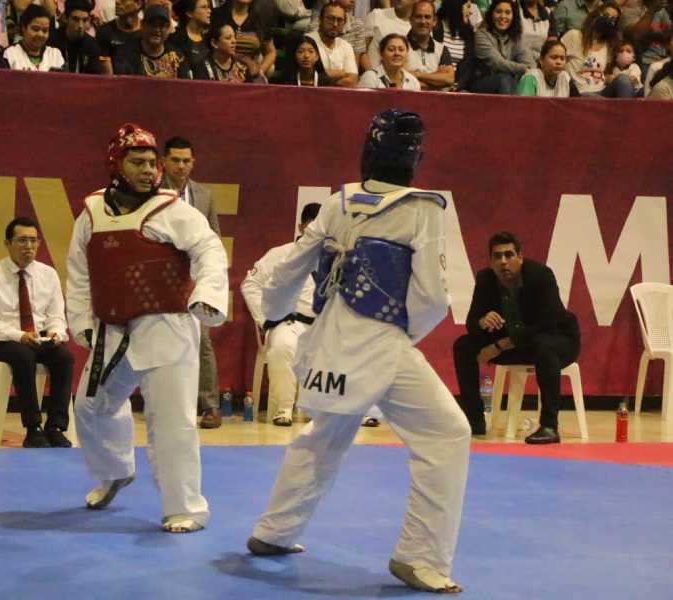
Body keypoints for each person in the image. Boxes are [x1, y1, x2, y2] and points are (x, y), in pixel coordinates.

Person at [246, 109, 470, 595]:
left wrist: (275, 316)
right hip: (382, 339)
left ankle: (274, 531)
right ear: (415, 158)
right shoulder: (423, 209)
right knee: (447, 434)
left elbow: (288, 271)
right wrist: (404, 336)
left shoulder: (338, 201)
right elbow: (431, 296)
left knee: (325, 434)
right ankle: (421, 557)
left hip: (327, 339)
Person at [65, 124, 228, 533]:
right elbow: (79, 274)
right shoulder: (92, 212)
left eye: (152, 163)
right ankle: (116, 470)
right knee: (90, 406)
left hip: (166, 325)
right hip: (113, 329)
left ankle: (184, 507)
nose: (148, 170)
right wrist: (82, 322)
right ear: (115, 163)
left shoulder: (173, 209)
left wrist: (207, 293)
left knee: (171, 419)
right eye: (137, 162)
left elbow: (209, 249)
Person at [452, 231, 580, 444]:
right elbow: (471, 323)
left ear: (520, 257)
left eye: (509, 255)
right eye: (497, 256)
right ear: (490, 261)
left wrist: (499, 345)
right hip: (517, 344)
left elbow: (546, 324)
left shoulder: (541, 276)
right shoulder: (485, 279)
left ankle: (549, 426)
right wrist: (483, 321)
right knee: (463, 346)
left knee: (544, 347)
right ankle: (474, 421)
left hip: (559, 339)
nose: (503, 262)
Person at [0, 217, 73, 448]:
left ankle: (55, 426)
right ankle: (33, 427)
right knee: (23, 355)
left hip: (39, 337)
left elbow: (57, 315)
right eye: (22, 240)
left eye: (33, 240)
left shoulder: (48, 274)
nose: (28, 246)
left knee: (64, 357)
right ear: (7, 243)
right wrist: (20, 335)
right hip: (2, 340)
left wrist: (57, 333)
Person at [160, 137, 224, 429]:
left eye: (186, 160)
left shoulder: (205, 196)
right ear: (163, 161)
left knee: (203, 342)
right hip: (160, 278)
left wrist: (208, 283)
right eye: (175, 159)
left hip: (194, 280)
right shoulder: (152, 194)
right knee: (157, 339)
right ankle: (160, 402)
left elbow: (214, 241)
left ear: (193, 162)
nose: (181, 165)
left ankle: (210, 405)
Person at [240, 203, 320, 427]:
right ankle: (283, 408)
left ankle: (325, 409)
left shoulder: (332, 258)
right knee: (283, 346)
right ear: (301, 226)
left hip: (321, 325)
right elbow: (251, 284)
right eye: (311, 226)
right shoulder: (280, 254)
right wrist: (265, 319)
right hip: (288, 321)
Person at [561, 1, 636, 97]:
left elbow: (602, 73)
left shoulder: (608, 45)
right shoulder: (573, 36)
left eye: (613, 19)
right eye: (606, 15)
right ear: (596, 15)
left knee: (623, 79)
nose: (608, 20)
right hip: (580, 92)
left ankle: (627, 111)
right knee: (596, 99)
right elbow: (559, 61)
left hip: (602, 90)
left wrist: (609, 78)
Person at [469, 0, 535, 94]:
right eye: (498, 11)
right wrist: (523, 68)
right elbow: (497, 63)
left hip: (510, 83)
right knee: (505, 79)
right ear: (491, 14)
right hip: (482, 82)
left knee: (530, 78)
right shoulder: (482, 34)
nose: (503, 16)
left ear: (514, 16)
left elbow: (530, 64)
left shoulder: (517, 37)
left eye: (507, 12)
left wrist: (529, 70)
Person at [111, 4, 192, 77]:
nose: (157, 30)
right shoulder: (125, 54)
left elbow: (186, 88)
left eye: (161, 25)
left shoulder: (178, 57)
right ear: (142, 25)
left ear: (168, 29)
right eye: (152, 24)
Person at [211, 0, 277, 78]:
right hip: (221, 70)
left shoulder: (261, 18)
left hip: (250, 71)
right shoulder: (217, 15)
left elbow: (271, 52)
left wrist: (259, 72)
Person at [0, 4, 65, 70]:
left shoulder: (55, 55)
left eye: (45, 30)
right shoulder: (9, 54)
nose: (40, 34)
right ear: (23, 28)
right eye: (35, 29)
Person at [405, 0, 455, 90]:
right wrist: (437, 77)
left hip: (437, 102)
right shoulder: (400, 46)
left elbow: (449, 79)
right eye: (418, 16)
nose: (423, 21)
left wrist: (417, 74)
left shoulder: (442, 49)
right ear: (410, 20)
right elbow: (400, 79)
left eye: (427, 17)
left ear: (434, 21)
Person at [308, 2, 359, 86]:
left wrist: (323, 75)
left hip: (339, 97)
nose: (335, 24)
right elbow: (308, 78)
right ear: (320, 20)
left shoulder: (346, 46)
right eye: (330, 18)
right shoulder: (308, 41)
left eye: (339, 20)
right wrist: (341, 73)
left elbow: (352, 81)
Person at [56, 0, 108, 73]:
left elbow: (96, 76)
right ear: (65, 18)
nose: (80, 25)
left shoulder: (92, 45)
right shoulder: (53, 39)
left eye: (84, 20)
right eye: (75, 19)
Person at [434, 0, 476, 89]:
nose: (471, 12)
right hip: (435, 81)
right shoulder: (435, 27)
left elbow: (469, 67)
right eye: (468, 7)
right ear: (457, 6)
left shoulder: (468, 33)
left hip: (457, 87)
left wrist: (458, 85)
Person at [365, 0, 413, 67]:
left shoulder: (419, 26)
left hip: (406, 75)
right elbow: (362, 50)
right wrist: (371, 73)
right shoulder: (377, 15)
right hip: (374, 73)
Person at [170, 0, 212, 68]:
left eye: (209, 7)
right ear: (189, 13)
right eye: (204, 7)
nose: (209, 11)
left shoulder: (209, 39)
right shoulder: (175, 38)